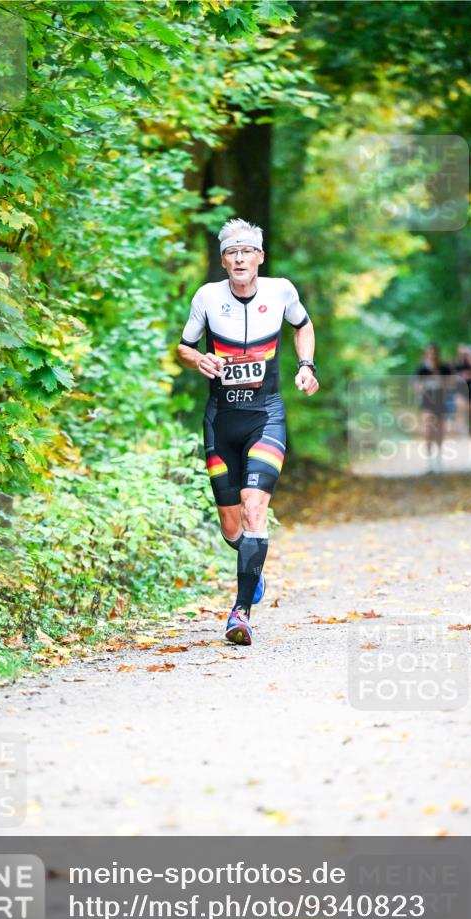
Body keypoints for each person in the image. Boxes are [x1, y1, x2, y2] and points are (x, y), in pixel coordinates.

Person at [177, 218, 318, 645]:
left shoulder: (281, 291)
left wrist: (306, 366)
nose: (239, 259)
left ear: (260, 257)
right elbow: (184, 345)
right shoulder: (207, 297)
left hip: (265, 416)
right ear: (223, 261)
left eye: (247, 252)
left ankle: (240, 612)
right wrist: (196, 359)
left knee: (255, 509)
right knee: (232, 526)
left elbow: (304, 325)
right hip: (222, 420)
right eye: (231, 253)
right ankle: (250, 567)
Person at [415, 343, 452, 473]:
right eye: (430, 352)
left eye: (434, 352)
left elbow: (450, 385)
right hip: (426, 404)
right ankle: (429, 463)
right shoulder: (421, 369)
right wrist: (424, 385)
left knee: (440, 432)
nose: (432, 355)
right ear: (426, 354)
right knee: (427, 432)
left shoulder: (444, 368)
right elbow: (416, 387)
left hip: (441, 403)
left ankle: (439, 460)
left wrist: (440, 379)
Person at [453, 344, 471, 436]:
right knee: (461, 407)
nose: (463, 354)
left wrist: (469, 375)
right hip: (460, 388)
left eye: (465, 353)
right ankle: (462, 427)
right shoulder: (456, 363)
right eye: (461, 353)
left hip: (470, 388)